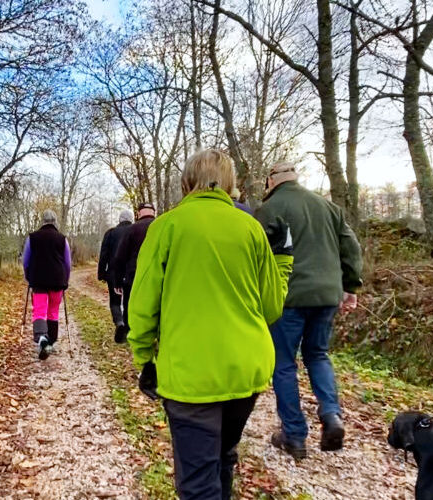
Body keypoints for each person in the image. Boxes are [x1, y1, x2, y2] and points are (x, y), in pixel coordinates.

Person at [127, 149, 294, 500]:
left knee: (198, 481)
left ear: (187, 182)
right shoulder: (250, 227)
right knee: (223, 456)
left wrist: (144, 357)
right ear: (231, 184)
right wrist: (282, 262)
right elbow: (271, 308)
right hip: (247, 371)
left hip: (191, 376)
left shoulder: (167, 226)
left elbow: (142, 305)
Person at [254, 161, 362, 459]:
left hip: (288, 298)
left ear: (271, 180)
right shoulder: (327, 207)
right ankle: (331, 415)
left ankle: (295, 435)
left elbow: (258, 256)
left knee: (284, 364)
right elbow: (351, 248)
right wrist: (350, 286)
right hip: (327, 295)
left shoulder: (268, 209)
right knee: (317, 354)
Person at [23, 209, 71, 360]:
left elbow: (26, 260)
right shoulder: (62, 239)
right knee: (53, 312)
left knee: (39, 311)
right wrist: (66, 279)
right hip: (58, 280)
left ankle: (42, 340)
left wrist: (28, 276)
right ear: (55, 221)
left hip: (38, 280)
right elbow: (68, 263)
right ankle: (50, 343)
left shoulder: (32, 238)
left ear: (42, 221)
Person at [110, 202, 156, 340]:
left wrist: (117, 282)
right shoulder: (162, 226)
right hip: (157, 275)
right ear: (153, 212)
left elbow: (120, 256)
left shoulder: (132, 229)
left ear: (139, 213)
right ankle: (154, 334)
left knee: (129, 304)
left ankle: (130, 333)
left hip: (133, 275)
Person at [98, 210, 134, 343]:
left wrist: (101, 273)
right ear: (131, 219)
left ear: (119, 220)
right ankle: (128, 328)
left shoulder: (111, 233)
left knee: (115, 301)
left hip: (113, 273)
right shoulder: (134, 231)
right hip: (131, 272)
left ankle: (119, 322)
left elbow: (104, 254)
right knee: (129, 301)